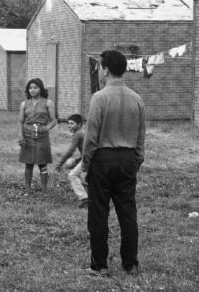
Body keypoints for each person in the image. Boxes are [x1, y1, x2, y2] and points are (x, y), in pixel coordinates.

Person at [82, 50, 145, 277]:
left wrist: (85, 167)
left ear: (106, 70)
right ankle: (131, 264)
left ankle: (100, 266)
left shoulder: (99, 98)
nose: (98, 72)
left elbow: (90, 138)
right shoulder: (136, 98)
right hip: (127, 160)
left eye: (99, 67)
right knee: (128, 212)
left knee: (98, 213)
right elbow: (141, 137)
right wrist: (135, 161)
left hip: (103, 160)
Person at [18, 78, 57, 191]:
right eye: (30, 88)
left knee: (42, 163)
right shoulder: (24, 104)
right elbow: (21, 121)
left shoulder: (48, 103)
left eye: (35, 87)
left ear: (40, 88)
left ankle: (44, 189)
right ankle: (28, 189)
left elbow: (54, 120)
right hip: (28, 135)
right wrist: (21, 135)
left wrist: (46, 128)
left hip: (42, 136)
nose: (33, 90)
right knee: (28, 163)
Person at [55, 114, 87, 208]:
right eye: (68, 123)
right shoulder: (82, 132)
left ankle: (84, 198)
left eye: (72, 123)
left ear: (79, 124)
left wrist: (59, 164)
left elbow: (70, 151)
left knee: (72, 175)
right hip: (89, 157)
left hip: (89, 159)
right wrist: (77, 160)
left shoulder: (78, 134)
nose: (69, 125)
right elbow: (85, 151)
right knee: (86, 177)